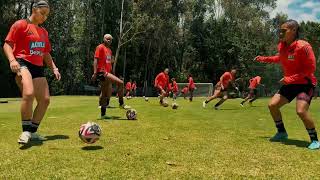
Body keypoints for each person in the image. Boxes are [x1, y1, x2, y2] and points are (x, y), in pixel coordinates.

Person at [3, 0, 61, 144]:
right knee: (28, 93)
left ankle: (32, 132)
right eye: (42, 13)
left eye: (47, 15)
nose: (44, 17)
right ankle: (25, 131)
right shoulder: (21, 25)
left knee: (45, 100)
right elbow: (7, 44)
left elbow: (46, 53)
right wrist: (12, 61)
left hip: (38, 67)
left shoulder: (43, 32)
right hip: (22, 63)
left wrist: (54, 68)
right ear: (34, 9)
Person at [255, 19, 319, 149]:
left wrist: (290, 78)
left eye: (284, 30)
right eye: (280, 30)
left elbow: (310, 69)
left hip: (305, 84)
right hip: (291, 83)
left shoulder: (303, 46)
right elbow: (280, 58)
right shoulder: (282, 46)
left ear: (294, 30)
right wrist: (264, 58)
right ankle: (282, 132)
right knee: (272, 105)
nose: (280, 33)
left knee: (301, 111)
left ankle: (315, 140)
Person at [92, 34, 130, 118]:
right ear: (104, 39)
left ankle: (103, 114)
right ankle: (121, 103)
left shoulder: (109, 50)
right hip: (102, 72)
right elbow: (95, 60)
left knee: (105, 93)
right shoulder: (100, 47)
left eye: (110, 39)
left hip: (107, 72)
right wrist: (95, 73)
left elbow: (109, 63)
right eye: (107, 39)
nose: (109, 41)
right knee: (121, 83)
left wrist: (112, 73)